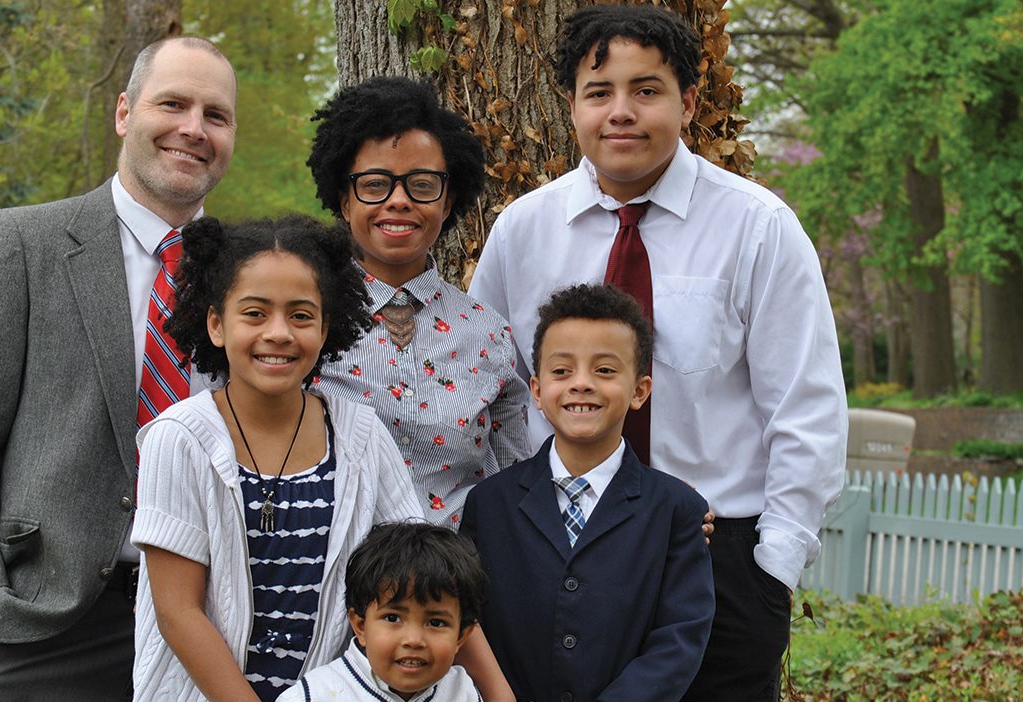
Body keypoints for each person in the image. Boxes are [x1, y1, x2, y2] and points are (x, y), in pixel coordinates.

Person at [467, 6, 848, 700]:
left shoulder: (757, 229)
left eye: (647, 90)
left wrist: (772, 571)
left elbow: (807, 409)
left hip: (715, 557)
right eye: (599, 92)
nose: (622, 112)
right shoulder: (522, 233)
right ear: (571, 105)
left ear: (689, 101)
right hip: (554, 548)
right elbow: (490, 398)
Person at [0, 36, 237, 699]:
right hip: (41, 626)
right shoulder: (21, 244)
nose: (192, 129)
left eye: (215, 115)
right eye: (172, 103)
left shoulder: (249, 270)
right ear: (124, 112)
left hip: (208, 622)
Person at [128, 215, 428, 700]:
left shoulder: (360, 434)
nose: (279, 333)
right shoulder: (179, 437)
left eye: (301, 315)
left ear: (326, 328)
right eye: (254, 313)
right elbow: (178, 612)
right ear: (216, 324)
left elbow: (424, 567)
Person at [459, 284, 714, 702]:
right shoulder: (489, 504)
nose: (581, 384)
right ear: (537, 391)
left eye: (605, 370)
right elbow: (468, 619)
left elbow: (680, 639)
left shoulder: (676, 510)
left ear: (640, 391)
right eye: (562, 371)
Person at [307, 76, 530, 528]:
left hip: (460, 584)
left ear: (447, 202)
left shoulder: (489, 333)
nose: (399, 201)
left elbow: (517, 484)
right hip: (329, 581)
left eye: (422, 185)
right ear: (344, 199)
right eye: (375, 185)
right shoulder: (302, 321)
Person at [279, 522, 487, 702]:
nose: (413, 640)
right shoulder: (313, 695)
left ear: (461, 636)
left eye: (436, 622)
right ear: (360, 626)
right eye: (393, 618)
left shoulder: (462, 691)